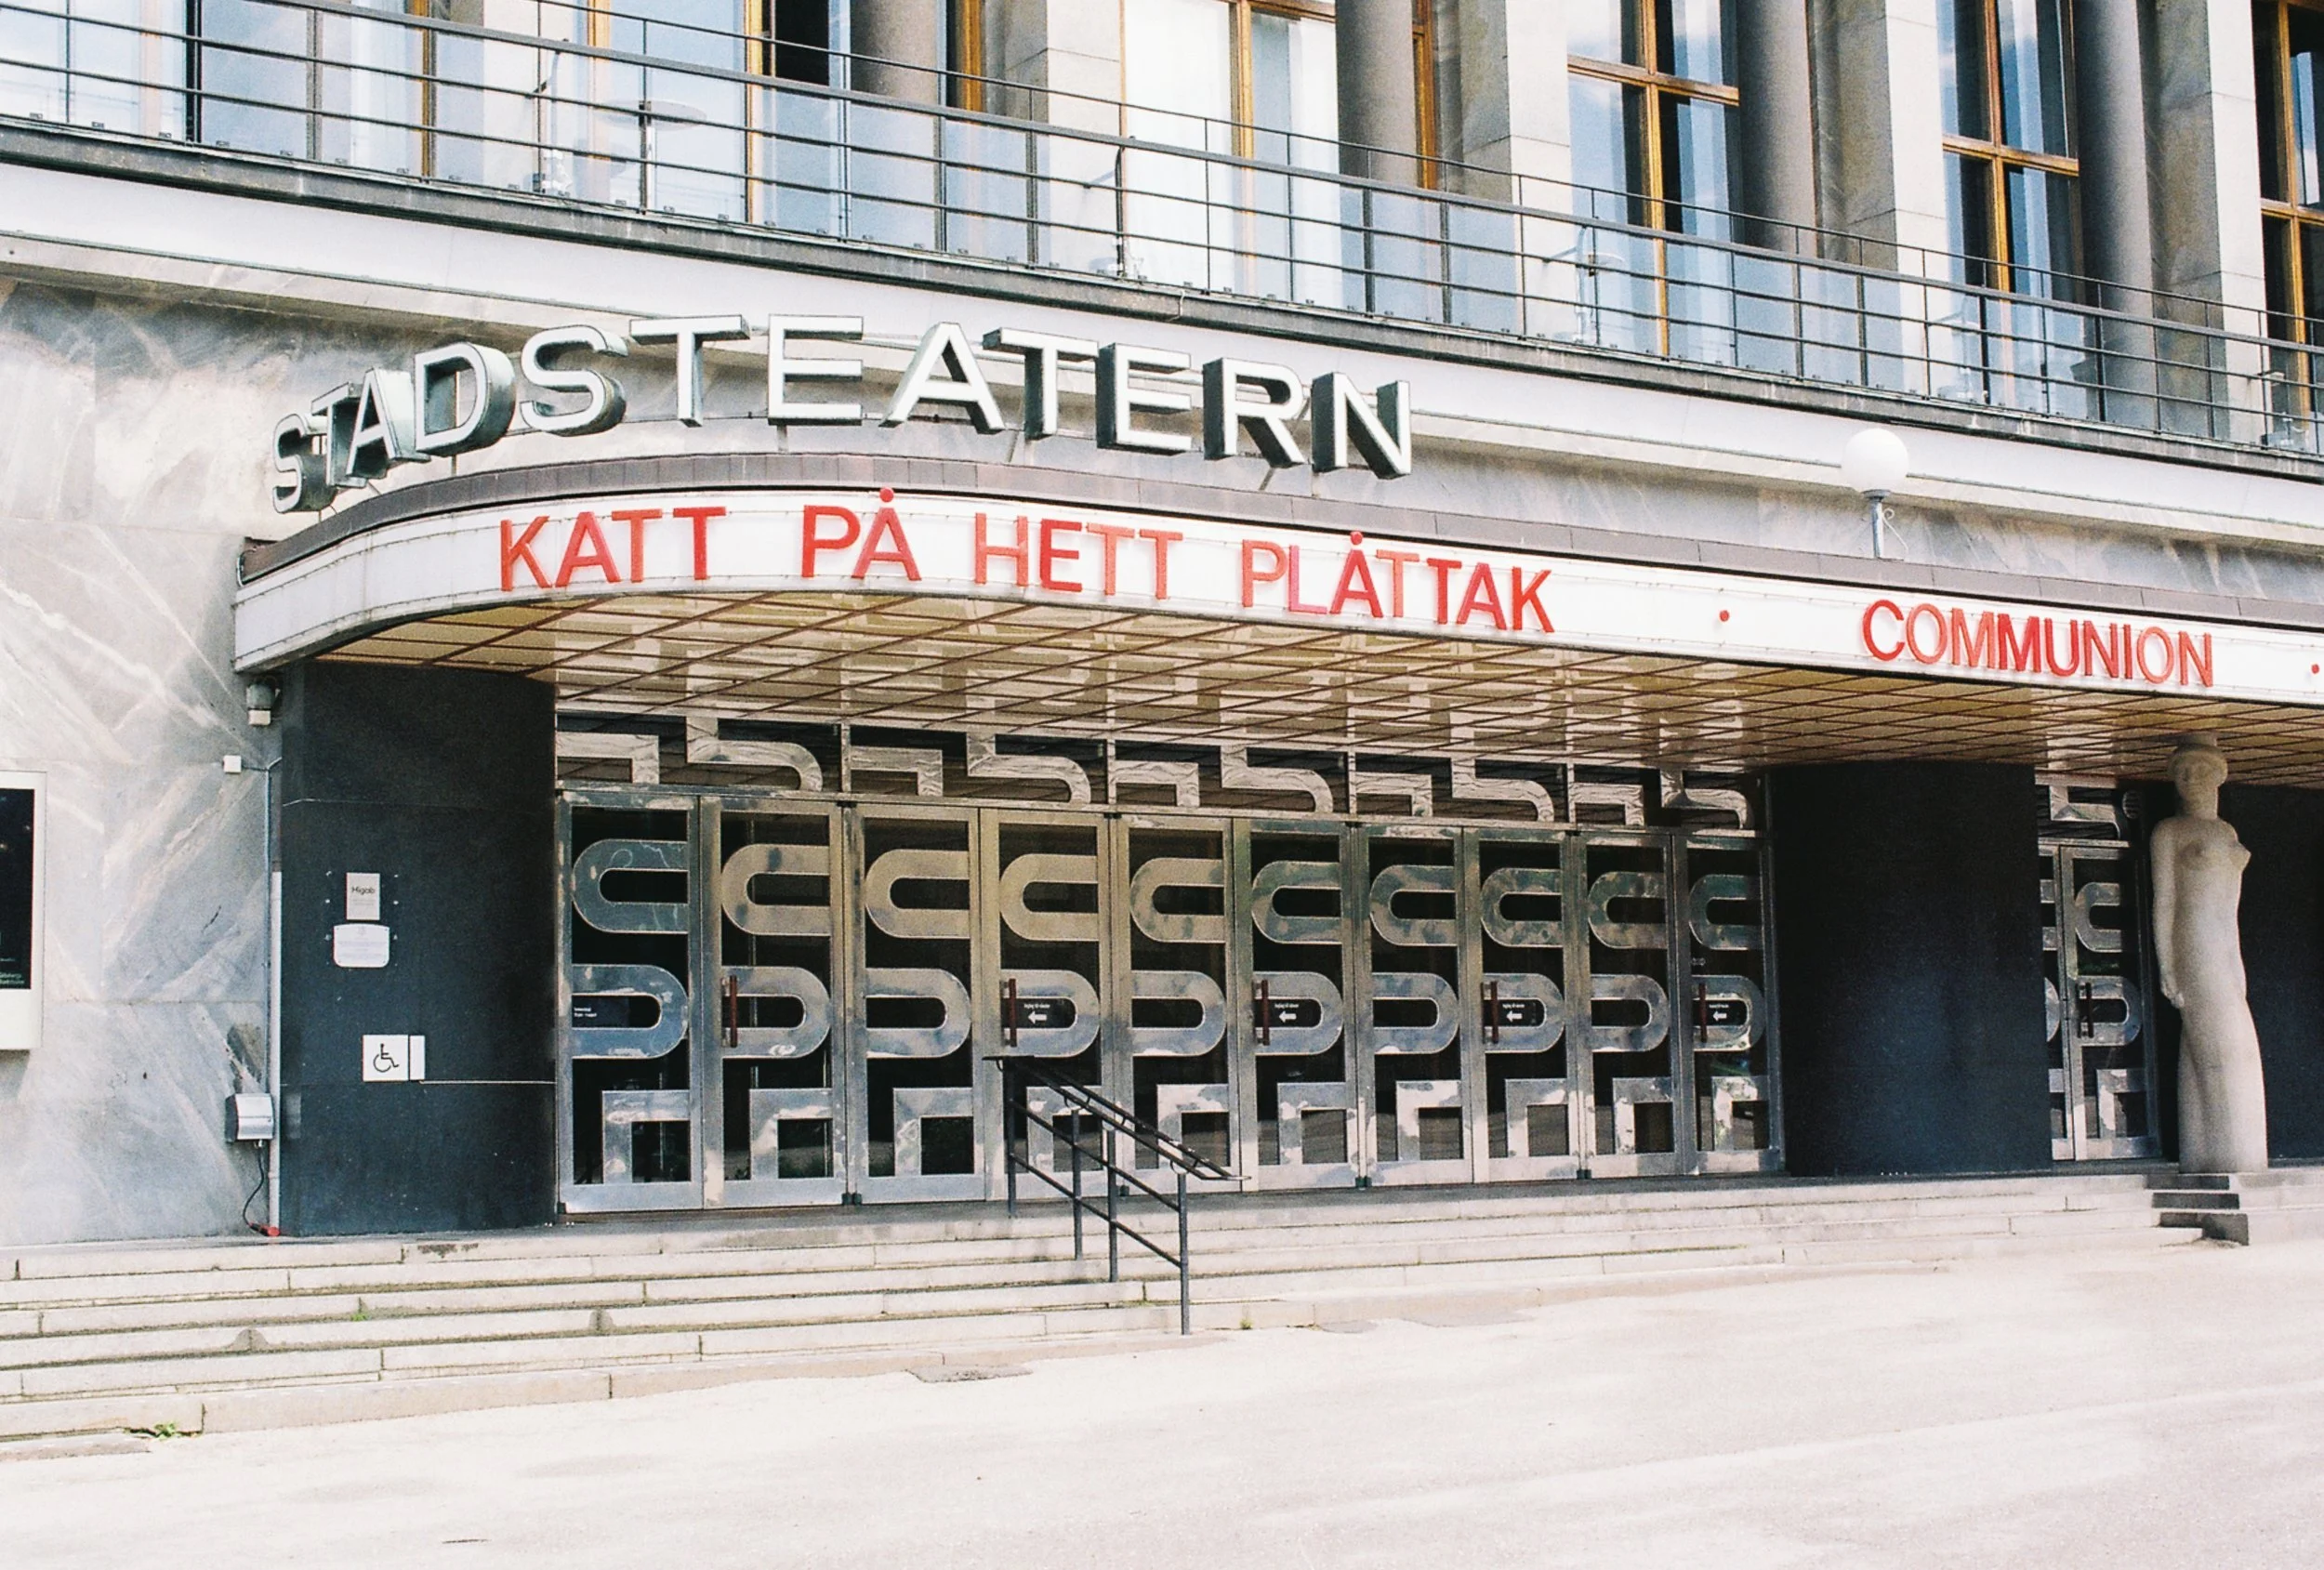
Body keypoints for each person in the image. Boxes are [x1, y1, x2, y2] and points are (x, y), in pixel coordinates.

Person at [2149, 743, 2270, 1172]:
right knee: (2224, 1047)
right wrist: (2167, 965)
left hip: (2223, 946)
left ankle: (2206, 1151)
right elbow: (2164, 903)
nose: (2191, 781)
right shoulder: (2169, 832)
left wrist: (2237, 965)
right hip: (2193, 945)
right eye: (2182, 773)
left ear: (2218, 776)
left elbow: (2230, 910)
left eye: (2200, 771)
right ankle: (2233, 1155)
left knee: (2219, 1042)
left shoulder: (2226, 833)